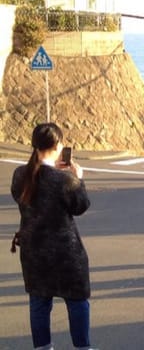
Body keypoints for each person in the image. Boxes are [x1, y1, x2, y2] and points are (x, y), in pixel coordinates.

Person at [10, 123, 94, 350]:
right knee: (77, 300)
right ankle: (82, 347)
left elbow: (21, 195)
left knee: (39, 301)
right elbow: (81, 205)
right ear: (57, 145)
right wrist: (79, 178)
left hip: (33, 252)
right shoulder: (65, 180)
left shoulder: (20, 175)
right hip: (66, 254)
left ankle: (43, 347)